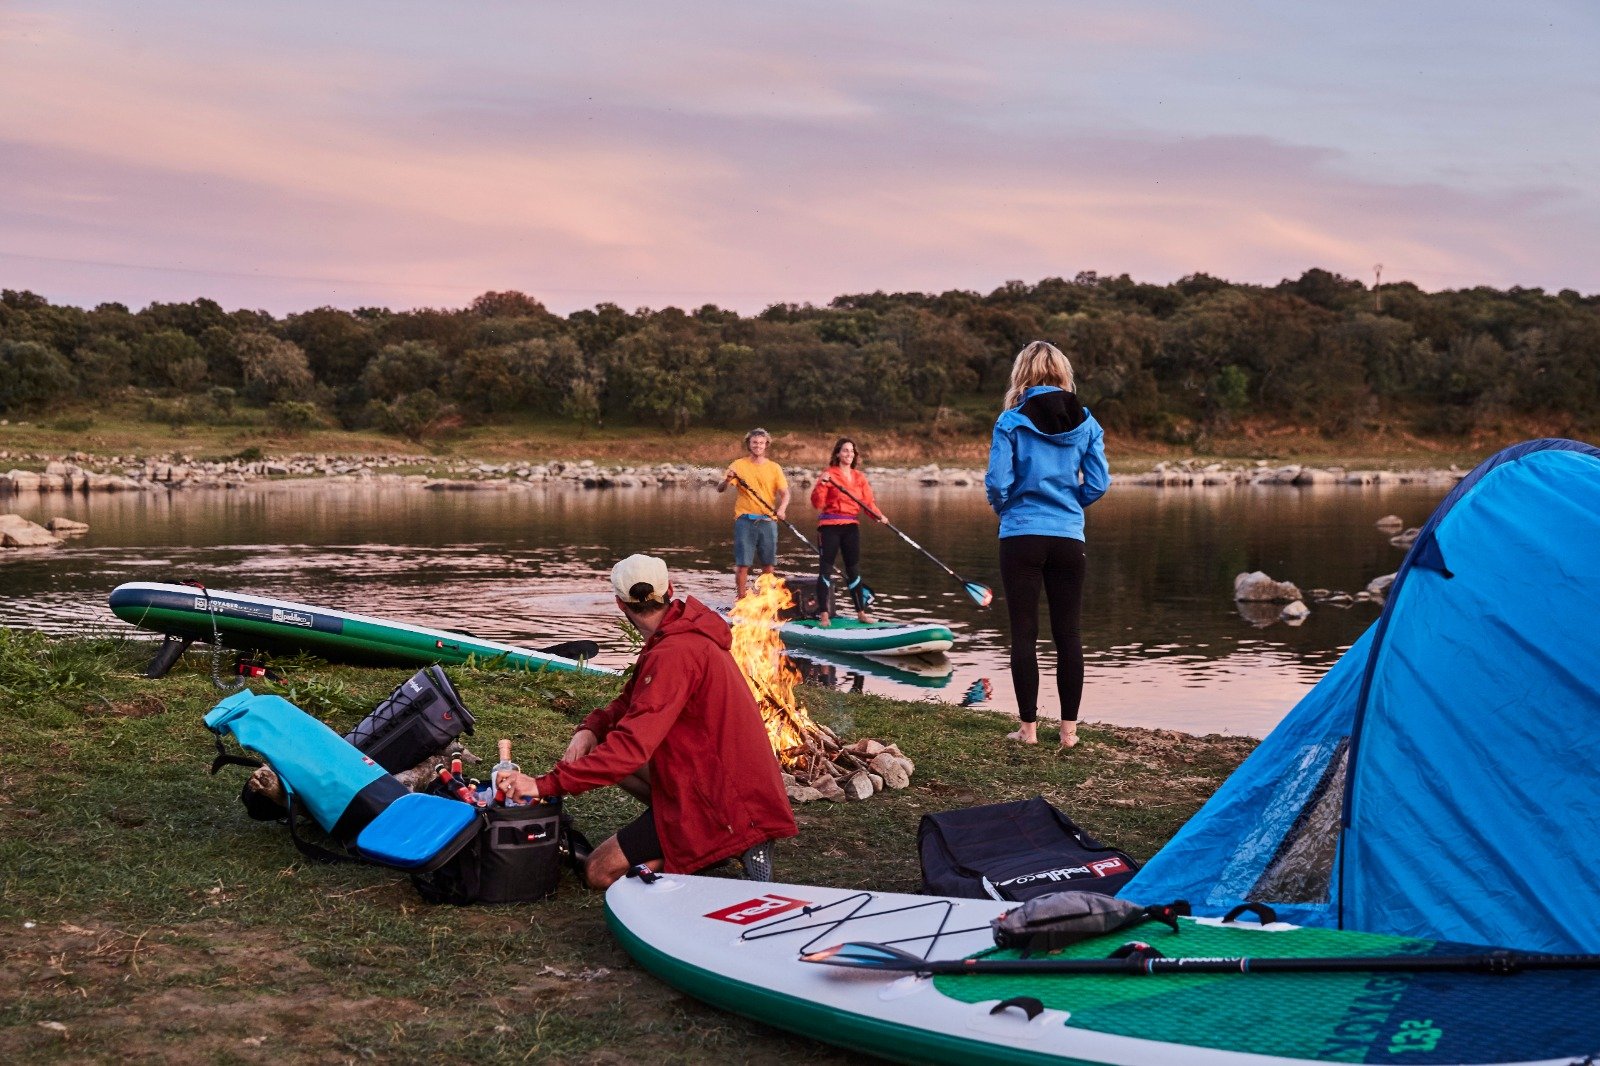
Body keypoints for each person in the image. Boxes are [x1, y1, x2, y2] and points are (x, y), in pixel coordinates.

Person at [497, 554, 797, 889]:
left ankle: (721, 844)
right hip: (709, 778)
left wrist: (541, 785)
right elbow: (629, 702)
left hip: (725, 801)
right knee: (608, 747)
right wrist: (591, 728)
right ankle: (705, 839)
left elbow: (630, 750)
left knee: (599, 871)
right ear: (669, 589)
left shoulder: (675, 653)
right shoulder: (677, 632)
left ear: (619, 603)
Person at [984, 341, 1110, 749]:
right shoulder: (1086, 422)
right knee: (1068, 634)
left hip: (1021, 533)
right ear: (1062, 372)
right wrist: (1070, 503)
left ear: (1023, 373)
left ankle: (1028, 730)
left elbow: (997, 483)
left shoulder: (1010, 420)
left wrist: (1009, 510)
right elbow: (1098, 483)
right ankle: (1069, 733)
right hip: (1068, 535)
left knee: (1024, 633)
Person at [809, 437, 884, 627]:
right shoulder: (829, 474)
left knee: (853, 569)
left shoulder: (859, 477)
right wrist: (822, 484)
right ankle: (824, 615)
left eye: (851, 451)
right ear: (837, 454)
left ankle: (861, 613)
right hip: (830, 527)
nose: (848, 454)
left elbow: (867, 503)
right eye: (845, 451)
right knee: (826, 569)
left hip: (851, 526)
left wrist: (879, 516)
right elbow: (817, 503)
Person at [716, 427, 791, 600]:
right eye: (754, 443)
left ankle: (766, 600)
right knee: (742, 565)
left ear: (766, 445)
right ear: (749, 444)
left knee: (768, 565)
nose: (758, 446)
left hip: (768, 521)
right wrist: (727, 479)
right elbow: (720, 489)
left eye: (761, 443)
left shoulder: (774, 468)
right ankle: (741, 600)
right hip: (745, 520)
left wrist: (781, 509)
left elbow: (785, 494)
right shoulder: (738, 465)